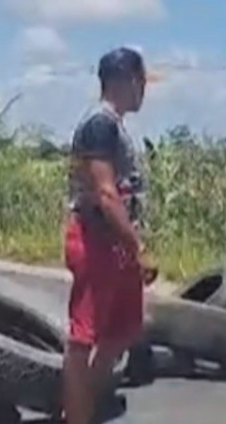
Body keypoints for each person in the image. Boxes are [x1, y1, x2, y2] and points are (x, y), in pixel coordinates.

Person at [61, 47, 158, 424]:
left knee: (123, 329)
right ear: (126, 81)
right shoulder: (99, 124)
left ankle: (83, 404)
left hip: (117, 246)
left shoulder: (115, 125)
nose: (144, 90)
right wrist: (137, 247)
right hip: (96, 240)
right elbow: (104, 193)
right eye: (142, 81)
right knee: (84, 337)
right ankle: (76, 416)